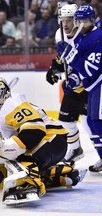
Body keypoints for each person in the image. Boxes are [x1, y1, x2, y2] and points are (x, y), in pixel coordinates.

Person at [0, 77, 86, 205]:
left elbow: (35, 130)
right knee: (15, 156)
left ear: (4, 94)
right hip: (51, 143)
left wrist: (9, 147)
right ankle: (63, 175)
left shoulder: (12, 104)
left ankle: (28, 186)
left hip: (53, 138)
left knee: (20, 156)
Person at [58, 4, 102, 174]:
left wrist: (72, 56)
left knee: (97, 122)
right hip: (93, 86)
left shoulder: (97, 37)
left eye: (86, 20)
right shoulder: (80, 37)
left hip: (99, 82)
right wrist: (73, 80)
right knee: (91, 121)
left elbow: (91, 69)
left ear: (92, 20)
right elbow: (79, 70)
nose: (82, 23)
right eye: (80, 20)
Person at [46, 4, 88, 162]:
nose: (66, 24)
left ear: (76, 20)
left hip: (89, 86)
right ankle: (75, 149)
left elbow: (88, 64)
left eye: (69, 20)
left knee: (89, 124)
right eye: (63, 20)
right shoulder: (59, 34)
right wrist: (54, 69)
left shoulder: (84, 35)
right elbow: (62, 58)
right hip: (73, 87)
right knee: (65, 122)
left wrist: (76, 78)